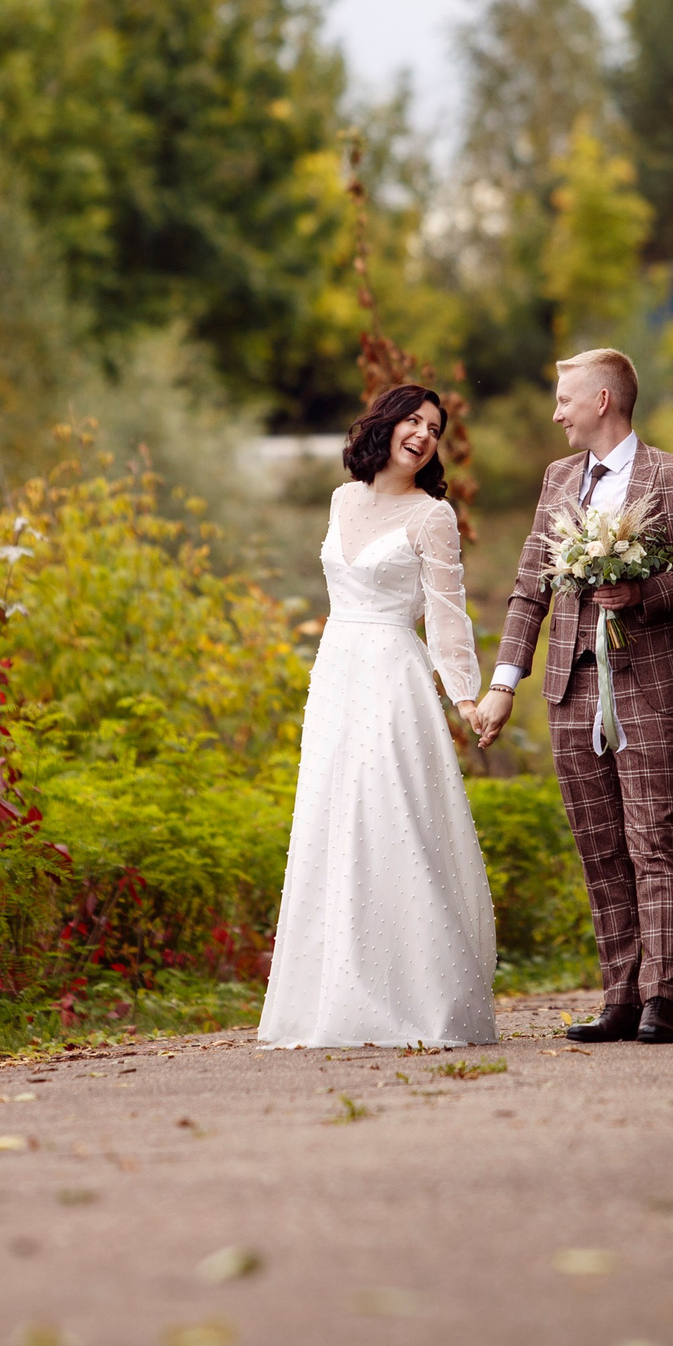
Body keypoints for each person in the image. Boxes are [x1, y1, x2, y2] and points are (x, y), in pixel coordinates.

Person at [469, 349, 673, 1045]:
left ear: (602, 400)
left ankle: (659, 1002)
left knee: (652, 838)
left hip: (648, 679)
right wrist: (504, 682)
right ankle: (618, 995)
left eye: (564, 399)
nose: (556, 413)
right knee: (598, 845)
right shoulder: (559, 478)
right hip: (570, 684)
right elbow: (531, 587)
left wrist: (647, 593)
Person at [257, 383, 499, 1049]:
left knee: (393, 823)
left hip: (394, 677)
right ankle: (333, 998)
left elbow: (448, 616)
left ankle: (421, 998)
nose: (423, 433)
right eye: (413, 421)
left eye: (435, 427)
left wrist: (466, 697)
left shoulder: (432, 516)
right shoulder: (342, 499)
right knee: (333, 826)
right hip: (335, 675)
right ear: (385, 425)